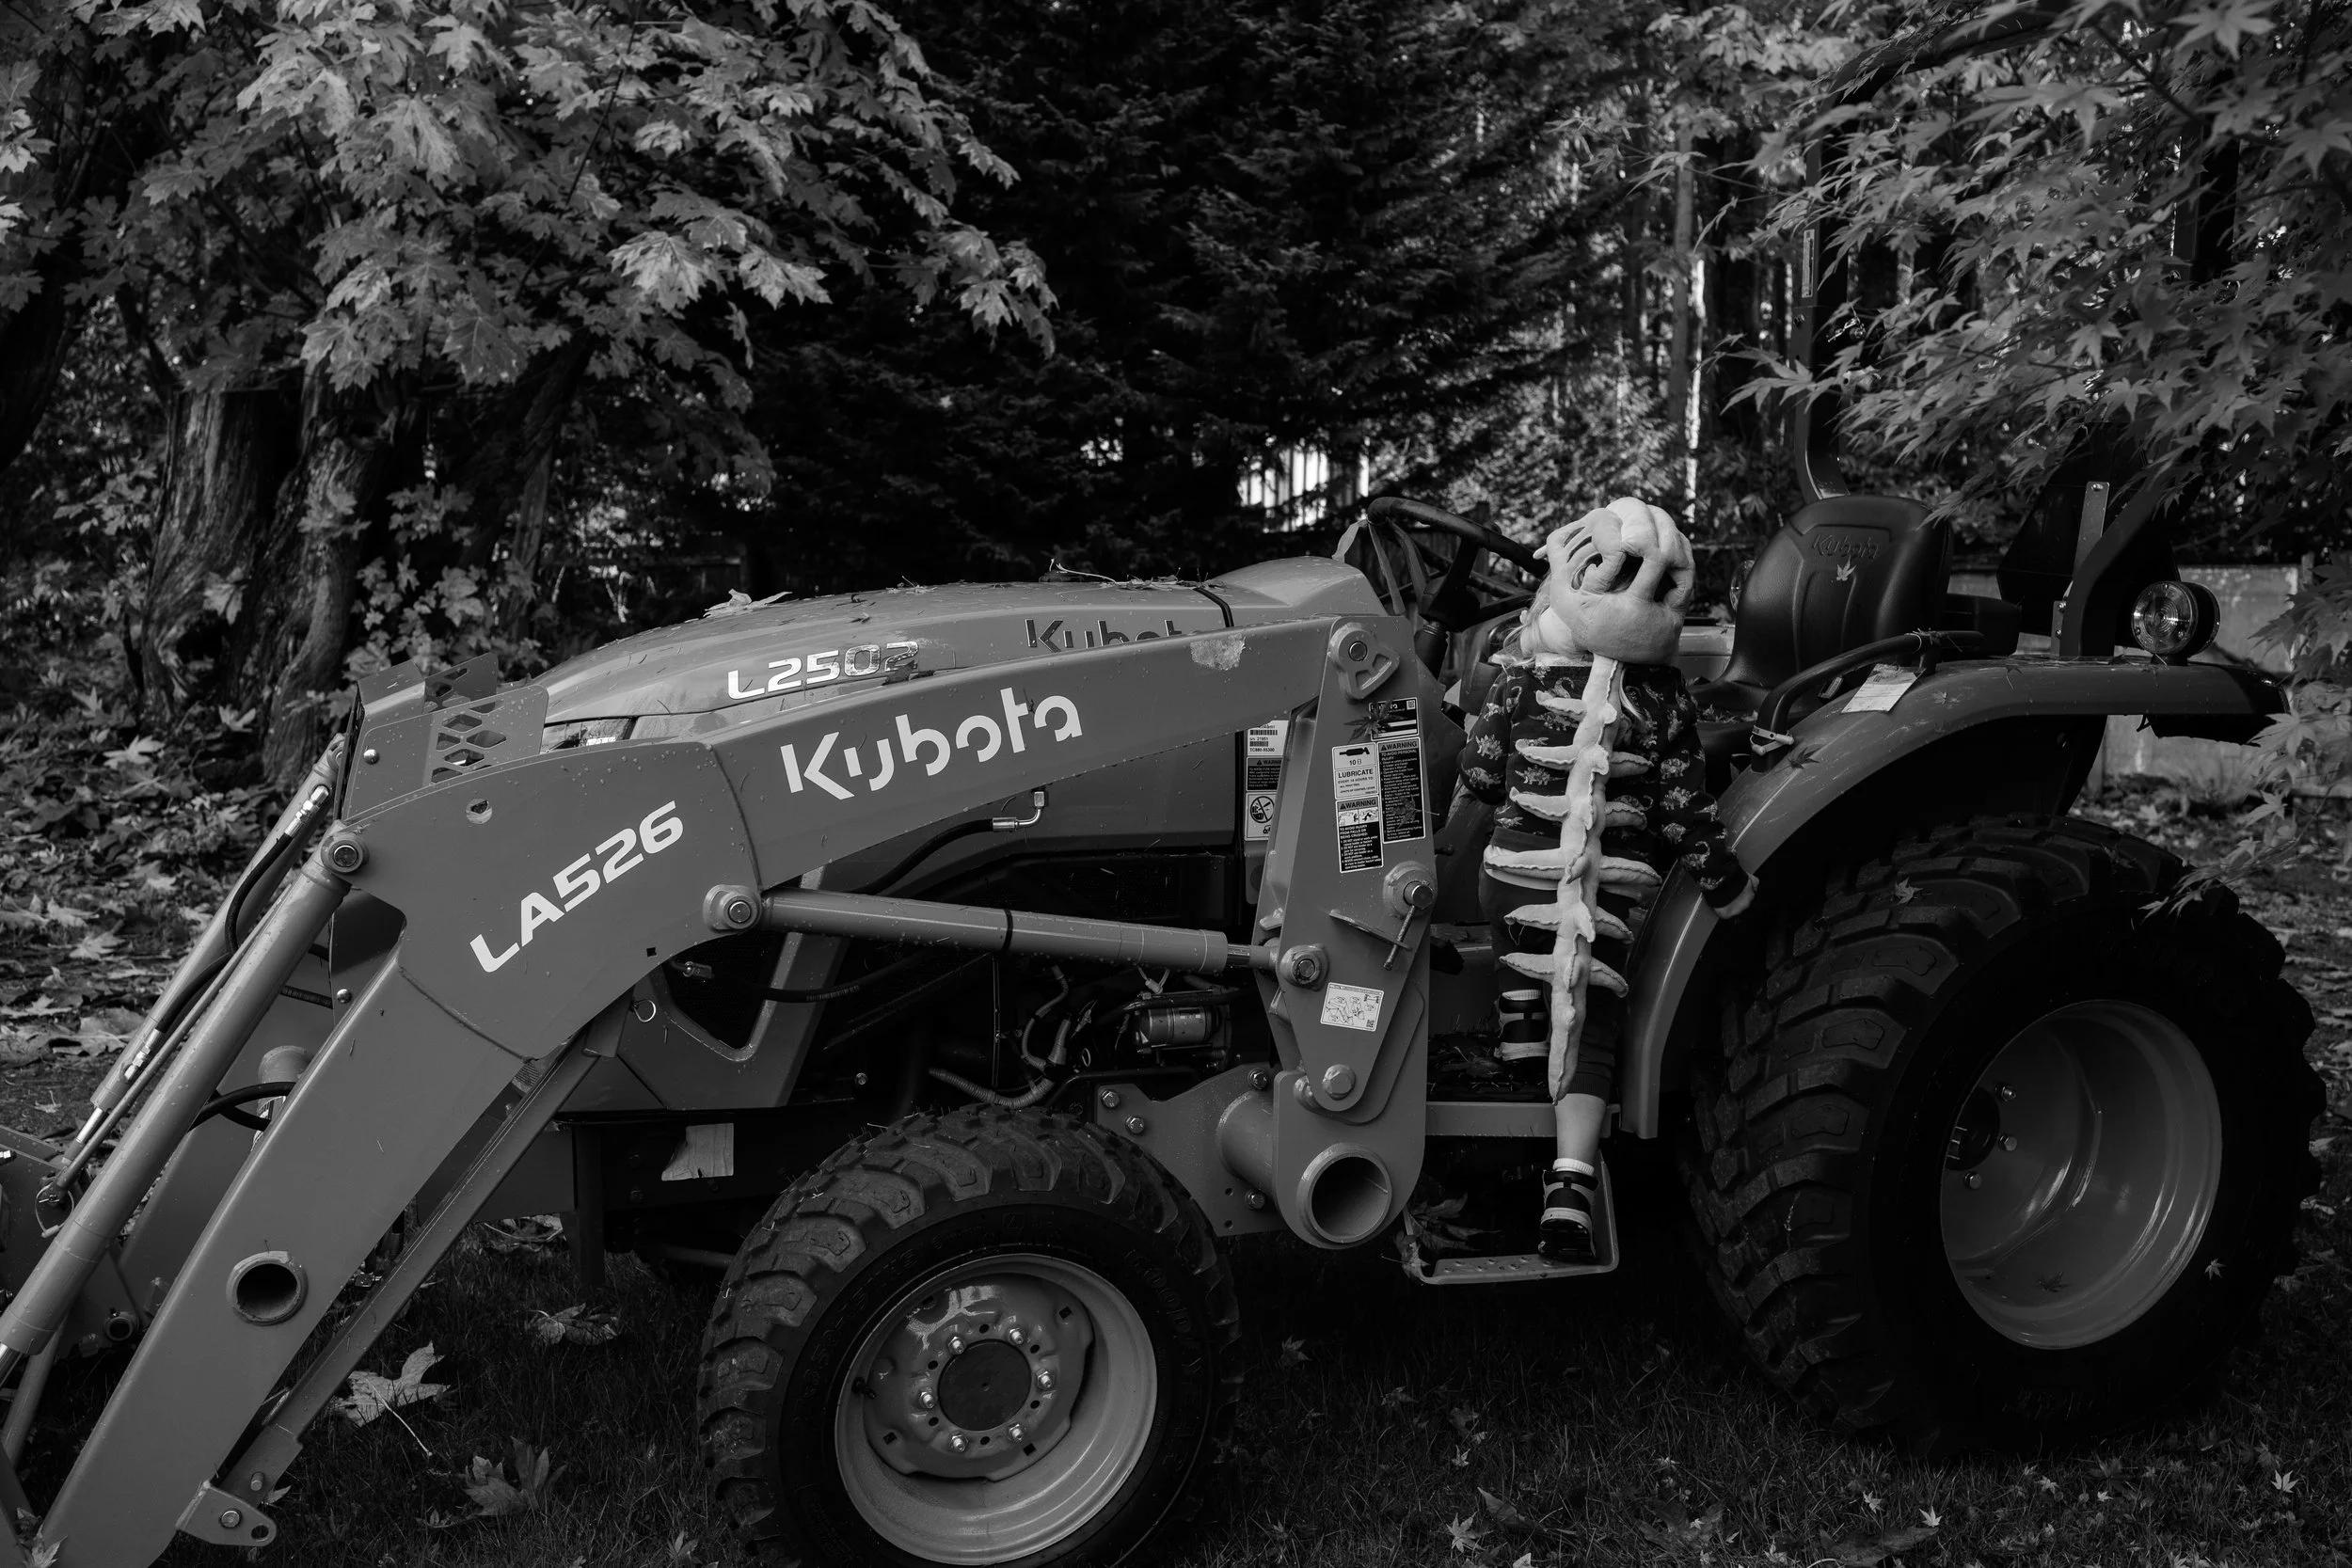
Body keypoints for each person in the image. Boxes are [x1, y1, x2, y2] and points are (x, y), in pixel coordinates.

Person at [1458, 497, 1756, 1260]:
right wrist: (1723, 880)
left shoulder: (1518, 682)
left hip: (1516, 888)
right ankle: (1569, 1188)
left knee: (1509, 908)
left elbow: (1484, 778)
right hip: (1605, 898)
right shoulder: (1663, 699)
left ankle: (1524, 1032)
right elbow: (1687, 809)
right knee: (1589, 1016)